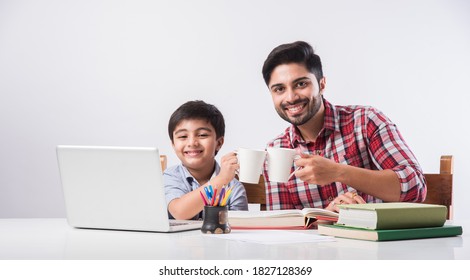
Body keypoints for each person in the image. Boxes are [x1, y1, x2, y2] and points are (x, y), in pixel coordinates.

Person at [261, 41, 426, 212]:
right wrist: (327, 215)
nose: (290, 97)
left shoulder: (365, 121)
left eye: (301, 84)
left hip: (373, 237)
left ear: (322, 84)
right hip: (316, 239)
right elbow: (281, 223)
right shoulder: (276, 149)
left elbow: (416, 186)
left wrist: (339, 172)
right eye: (279, 89)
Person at [164, 100, 248, 220]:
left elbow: (239, 228)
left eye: (202, 135)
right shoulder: (171, 176)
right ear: (173, 145)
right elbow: (180, 212)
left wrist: (224, 180)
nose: (192, 143)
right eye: (183, 136)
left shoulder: (233, 188)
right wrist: (221, 179)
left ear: (219, 143)